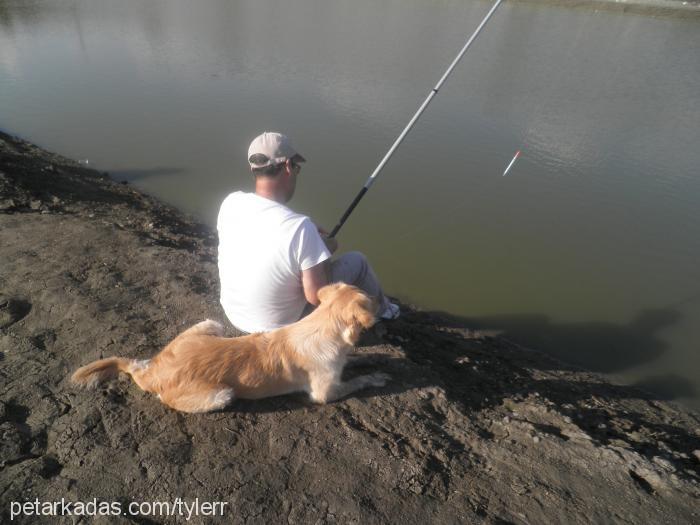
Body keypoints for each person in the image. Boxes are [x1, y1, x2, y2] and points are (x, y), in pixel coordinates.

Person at [217, 131, 399, 334]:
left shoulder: (231, 203)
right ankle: (387, 312)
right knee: (358, 261)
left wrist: (311, 238)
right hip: (277, 331)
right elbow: (317, 296)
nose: (296, 173)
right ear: (287, 166)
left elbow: (261, 238)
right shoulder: (300, 228)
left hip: (234, 316)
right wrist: (324, 254)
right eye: (297, 167)